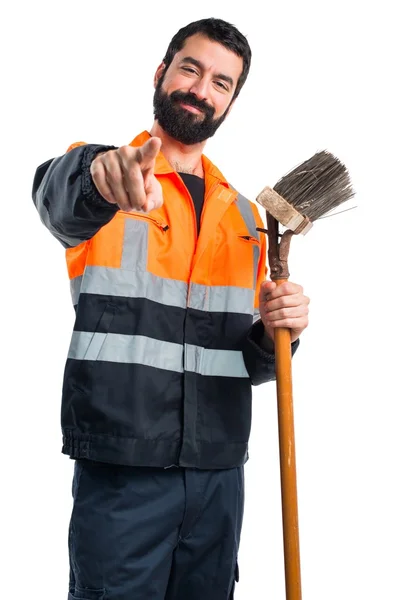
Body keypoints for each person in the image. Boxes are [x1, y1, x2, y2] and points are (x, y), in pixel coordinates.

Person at [32, 17, 310, 600]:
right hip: (123, 469)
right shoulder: (104, 170)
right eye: (191, 68)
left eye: (222, 82)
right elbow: (59, 200)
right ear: (162, 73)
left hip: (217, 473)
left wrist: (274, 334)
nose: (202, 89)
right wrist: (100, 180)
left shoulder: (244, 217)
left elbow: (243, 363)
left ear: (231, 101)